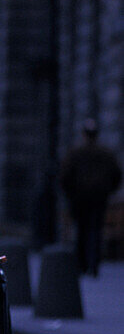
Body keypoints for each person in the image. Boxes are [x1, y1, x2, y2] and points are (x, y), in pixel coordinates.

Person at [60, 118, 122, 277]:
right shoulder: (105, 153)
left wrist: (70, 193)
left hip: (79, 198)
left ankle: (82, 265)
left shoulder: (76, 153)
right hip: (99, 197)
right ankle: (93, 265)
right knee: (95, 230)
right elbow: (116, 175)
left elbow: (65, 176)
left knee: (82, 230)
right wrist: (108, 190)